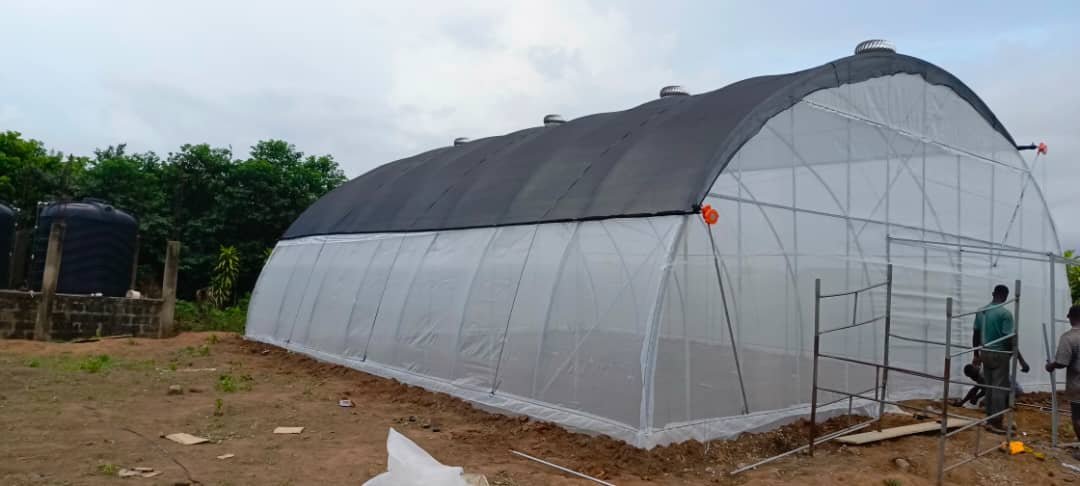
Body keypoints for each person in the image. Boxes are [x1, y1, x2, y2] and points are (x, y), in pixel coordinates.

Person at [972, 284, 1027, 432]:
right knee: (999, 388)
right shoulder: (1005, 314)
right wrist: (1021, 360)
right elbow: (1009, 338)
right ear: (1006, 296)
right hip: (1000, 354)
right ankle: (996, 422)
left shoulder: (981, 311)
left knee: (989, 386)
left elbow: (976, 333)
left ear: (993, 293)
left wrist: (976, 354)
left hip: (985, 352)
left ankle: (990, 418)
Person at [1046, 304, 1080, 459]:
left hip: (1077, 384)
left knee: (1078, 418)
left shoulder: (1069, 337)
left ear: (1071, 318)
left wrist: (1051, 365)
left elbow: (1062, 362)